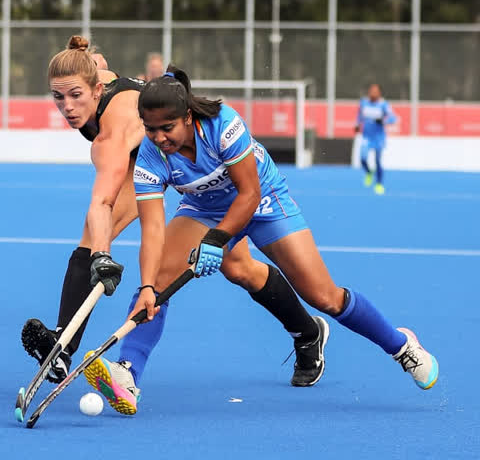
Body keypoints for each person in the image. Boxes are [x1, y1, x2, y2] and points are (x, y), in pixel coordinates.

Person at [83, 68, 438, 415]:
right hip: (204, 207)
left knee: (323, 296)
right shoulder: (150, 155)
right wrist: (147, 286)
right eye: (150, 129)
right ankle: (127, 373)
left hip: (263, 200)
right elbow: (154, 230)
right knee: (162, 280)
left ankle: (401, 345)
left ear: (188, 116)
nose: (159, 138)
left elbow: (249, 194)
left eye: (167, 128)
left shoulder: (223, 124)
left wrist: (216, 240)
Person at [22, 36, 327, 388]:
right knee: (240, 268)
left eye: (75, 95)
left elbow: (102, 202)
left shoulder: (112, 136)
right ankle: (308, 331)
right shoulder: (94, 72)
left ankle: (63, 347)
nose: (68, 107)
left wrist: (102, 256)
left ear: (94, 88)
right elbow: (99, 63)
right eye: (58, 97)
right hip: (155, 162)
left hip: (174, 163)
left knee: (93, 240)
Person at [355, 83, 396, 195]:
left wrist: (383, 121)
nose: (373, 93)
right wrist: (357, 124)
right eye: (371, 91)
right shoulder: (364, 103)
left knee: (378, 160)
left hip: (378, 138)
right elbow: (359, 116)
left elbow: (393, 118)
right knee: (362, 158)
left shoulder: (383, 104)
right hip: (366, 137)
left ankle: (379, 184)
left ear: (379, 93)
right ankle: (369, 172)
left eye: (375, 91)